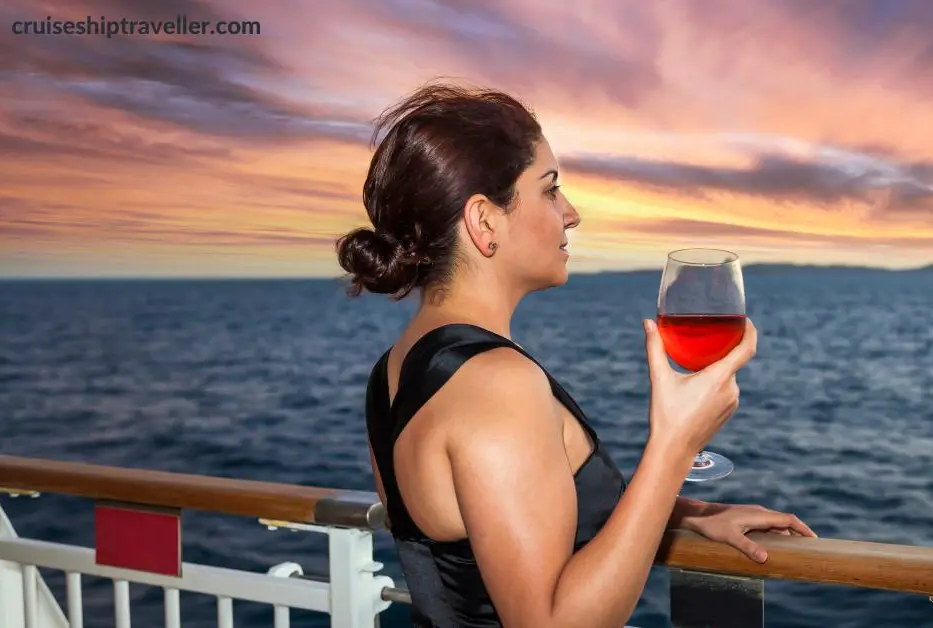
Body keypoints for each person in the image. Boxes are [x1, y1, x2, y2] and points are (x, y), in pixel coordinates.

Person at [336, 81, 816, 628]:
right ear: (484, 221)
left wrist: (690, 514)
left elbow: (496, 532)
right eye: (550, 188)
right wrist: (675, 445)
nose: (571, 212)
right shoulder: (496, 383)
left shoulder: (394, 372)